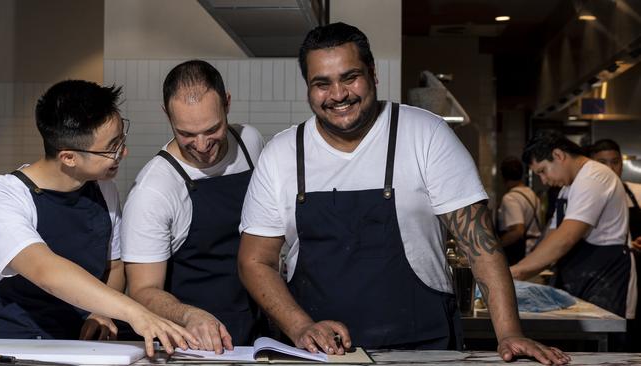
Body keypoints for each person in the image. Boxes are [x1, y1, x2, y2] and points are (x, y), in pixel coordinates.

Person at [238, 22, 568, 364]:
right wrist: (300, 325)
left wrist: (510, 332)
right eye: (322, 84)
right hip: (318, 353)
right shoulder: (282, 153)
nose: (338, 94)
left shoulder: (425, 134)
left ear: (373, 73)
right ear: (308, 87)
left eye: (350, 77)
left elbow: (480, 245)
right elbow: (254, 260)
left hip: (423, 346)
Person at [0, 80, 196, 357]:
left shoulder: (103, 189)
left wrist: (100, 313)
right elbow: (46, 271)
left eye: (121, 140)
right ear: (68, 157)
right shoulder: (4, 196)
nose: (123, 153)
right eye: (111, 148)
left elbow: (113, 266)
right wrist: (134, 311)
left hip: (79, 343)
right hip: (14, 345)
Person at [121, 60, 265, 352]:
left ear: (226, 104)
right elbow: (141, 290)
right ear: (167, 115)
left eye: (212, 129)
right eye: (186, 133)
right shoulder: (153, 190)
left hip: (257, 327)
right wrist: (188, 315)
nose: (201, 145)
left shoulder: (250, 141)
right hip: (194, 341)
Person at [511, 131, 633, 318]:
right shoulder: (568, 188)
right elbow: (553, 234)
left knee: (605, 341)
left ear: (558, 155)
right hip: (582, 274)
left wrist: (517, 272)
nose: (543, 180)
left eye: (542, 171)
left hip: (606, 275)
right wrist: (522, 268)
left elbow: (566, 238)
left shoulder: (594, 177)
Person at [588, 138, 641, 350]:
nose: (610, 168)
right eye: (603, 162)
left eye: (615, 162)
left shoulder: (637, 191)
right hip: (607, 278)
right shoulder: (588, 196)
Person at [497, 157, 543, 265]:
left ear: (504, 177)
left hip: (519, 253)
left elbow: (517, 231)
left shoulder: (510, 198)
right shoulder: (532, 194)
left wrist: (495, 246)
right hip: (534, 248)